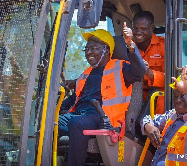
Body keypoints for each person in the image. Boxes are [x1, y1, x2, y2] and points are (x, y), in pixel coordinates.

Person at [59, 29, 146, 166]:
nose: (88, 52)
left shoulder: (121, 67)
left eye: (93, 48)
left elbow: (140, 72)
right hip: (79, 114)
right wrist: (57, 109)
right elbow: (75, 98)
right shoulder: (85, 74)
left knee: (77, 124)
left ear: (106, 50)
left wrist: (130, 45)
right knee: (48, 122)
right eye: (86, 49)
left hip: (102, 117)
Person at [124, 11, 165, 114]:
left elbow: (170, 79)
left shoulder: (163, 46)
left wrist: (148, 72)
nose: (138, 32)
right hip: (135, 93)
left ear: (152, 28)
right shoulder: (129, 45)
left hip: (156, 93)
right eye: (135, 28)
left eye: (143, 29)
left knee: (162, 99)